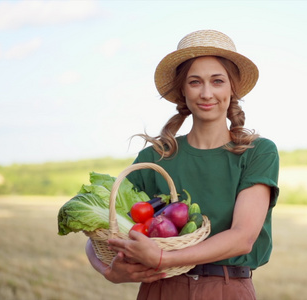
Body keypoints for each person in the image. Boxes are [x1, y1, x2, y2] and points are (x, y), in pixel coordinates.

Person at [85, 29, 279, 300]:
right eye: (195, 82)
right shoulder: (154, 158)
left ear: (232, 88)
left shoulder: (258, 152)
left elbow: (242, 237)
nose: (207, 93)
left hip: (227, 290)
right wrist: (107, 270)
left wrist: (164, 257)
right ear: (182, 90)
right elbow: (104, 230)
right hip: (161, 289)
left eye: (217, 81)